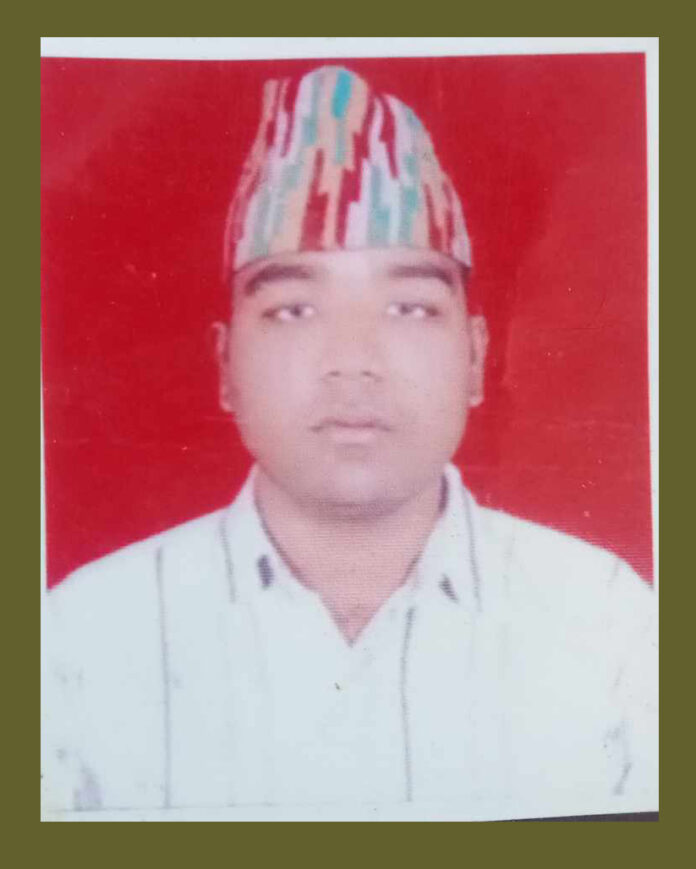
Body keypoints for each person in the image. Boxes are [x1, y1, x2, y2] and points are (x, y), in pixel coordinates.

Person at [41, 65, 657, 819]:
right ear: (225, 366)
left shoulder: (609, 622)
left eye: (409, 307)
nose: (354, 360)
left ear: (475, 357)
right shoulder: (81, 639)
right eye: (294, 310)